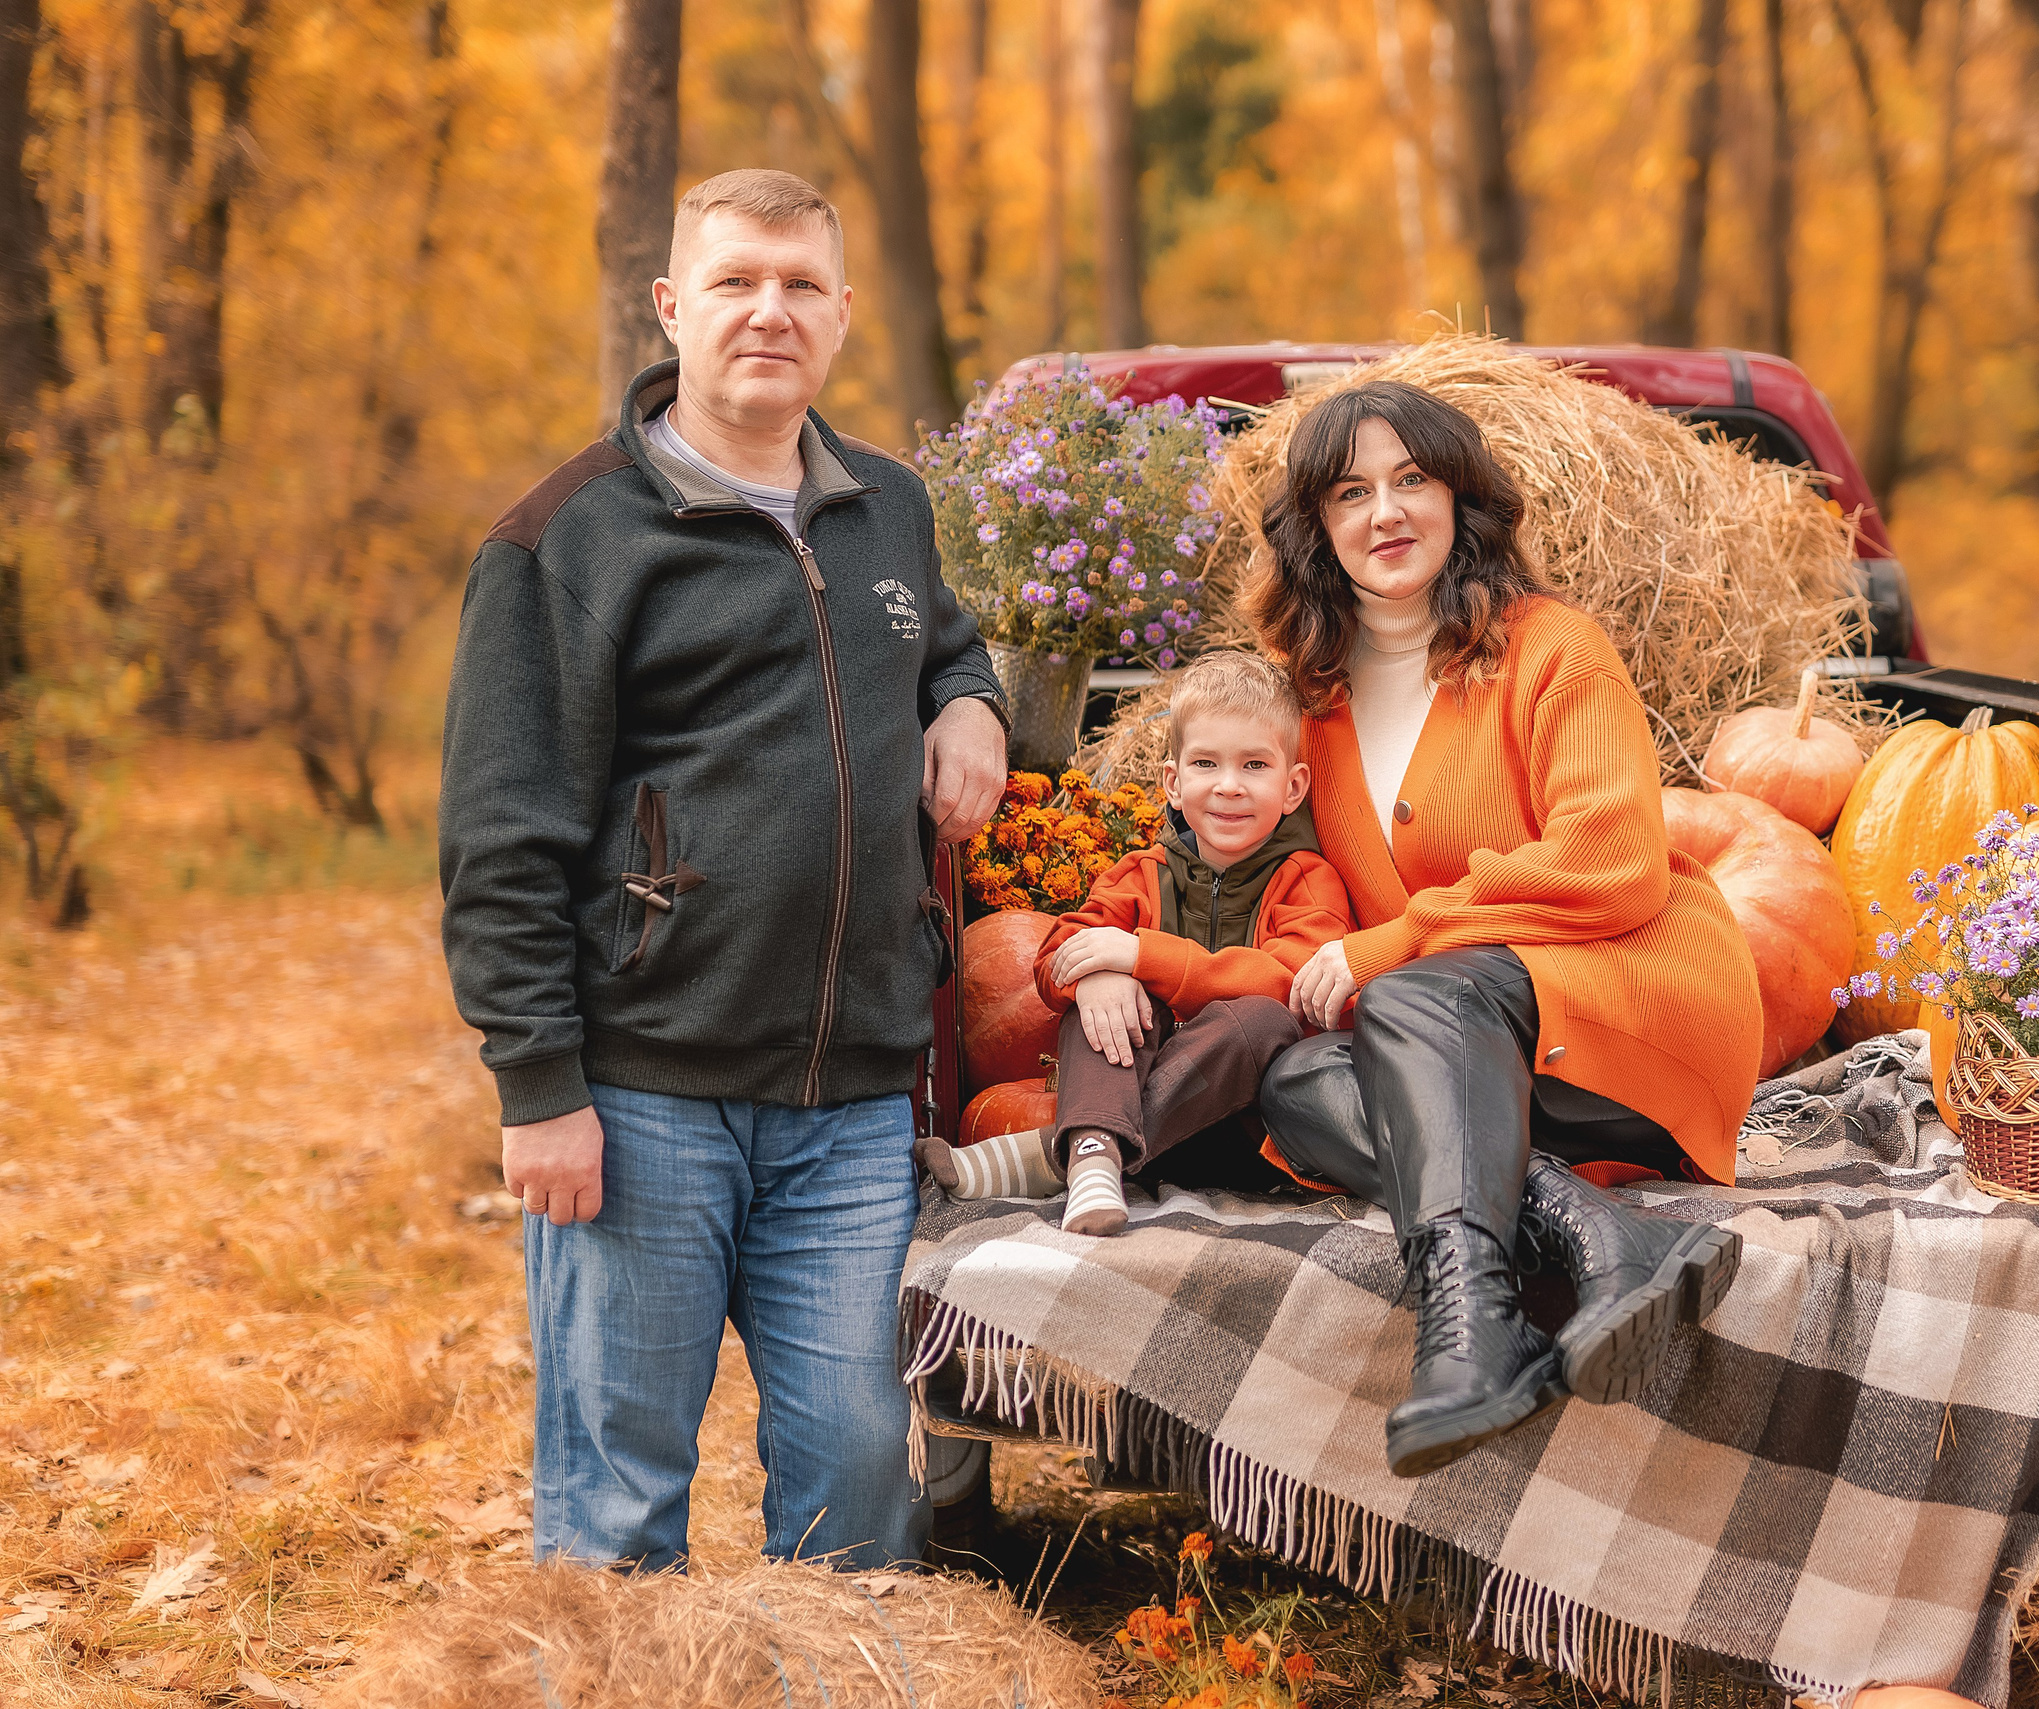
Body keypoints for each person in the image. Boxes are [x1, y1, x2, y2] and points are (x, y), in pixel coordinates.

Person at [437, 169, 1008, 1571]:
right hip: (645, 1102)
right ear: (672, 303)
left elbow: (942, 641)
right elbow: (502, 844)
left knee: (865, 1484)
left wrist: (975, 704)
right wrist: (539, 1089)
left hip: (853, 1107)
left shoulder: (888, 503)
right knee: (621, 1498)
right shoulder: (565, 538)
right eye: (739, 280)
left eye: (802, 284)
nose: (771, 311)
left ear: (844, 313)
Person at [1248, 380, 1763, 1479]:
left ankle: (1469, 1330)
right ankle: (1595, 1233)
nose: (1385, 512)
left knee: (1411, 995)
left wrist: (1397, 945)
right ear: (1316, 527)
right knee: (1295, 1087)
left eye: (1411, 480)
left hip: (1630, 997)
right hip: (1475, 1058)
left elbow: (1614, 863)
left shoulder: (1549, 646)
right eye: (1351, 491)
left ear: (1459, 499)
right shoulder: (1319, 707)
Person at [921, 652, 1353, 1234]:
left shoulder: (1308, 880)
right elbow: (1057, 953)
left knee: (1259, 1022)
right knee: (1109, 1000)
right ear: (1173, 782)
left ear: (1293, 786)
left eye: (1254, 764)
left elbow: (1296, 986)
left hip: (1246, 1136)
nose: (1229, 786)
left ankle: (1065, 1154)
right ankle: (1095, 1155)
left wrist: (1143, 957)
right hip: (1149, 1139)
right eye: (1206, 763)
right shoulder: (1141, 873)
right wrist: (1099, 977)